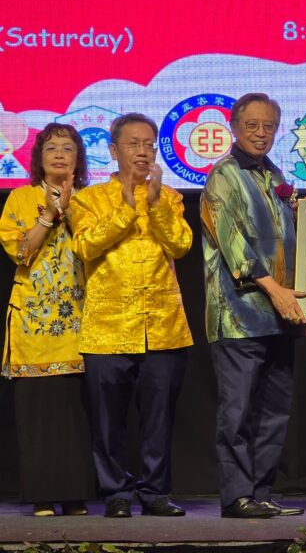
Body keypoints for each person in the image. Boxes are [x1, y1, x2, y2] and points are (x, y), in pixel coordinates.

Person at [70, 113, 193, 518]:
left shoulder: (169, 197)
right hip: (108, 327)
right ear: (113, 150)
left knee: (159, 418)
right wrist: (125, 207)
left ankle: (155, 493)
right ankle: (116, 494)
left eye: (148, 144)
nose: (142, 152)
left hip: (163, 325)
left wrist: (154, 205)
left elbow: (181, 245)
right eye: (133, 144)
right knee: (108, 421)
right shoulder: (88, 199)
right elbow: (85, 247)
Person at [201, 93, 306, 519]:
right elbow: (233, 245)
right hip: (240, 315)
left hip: (282, 315)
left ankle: (261, 493)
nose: (261, 133)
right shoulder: (223, 176)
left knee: (274, 411)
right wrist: (275, 290)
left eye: (268, 126)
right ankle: (237, 497)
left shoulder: (275, 175)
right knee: (237, 412)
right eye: (252, 125)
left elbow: (282, 238)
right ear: (234, 128)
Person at [0, 123, 94, 516]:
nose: (59, 154)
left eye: (68, 148)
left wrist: (70, 208)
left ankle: (74, 496)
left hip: (81, 319)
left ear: (79, 159)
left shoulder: (91, 200)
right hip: (34, 322)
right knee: (37, 410)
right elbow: (21, 253)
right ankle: (41, 495)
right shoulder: (21, 198)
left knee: (75, 410)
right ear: (39, 157)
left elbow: (95, 248)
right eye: (51, 147)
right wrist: (50, 214)